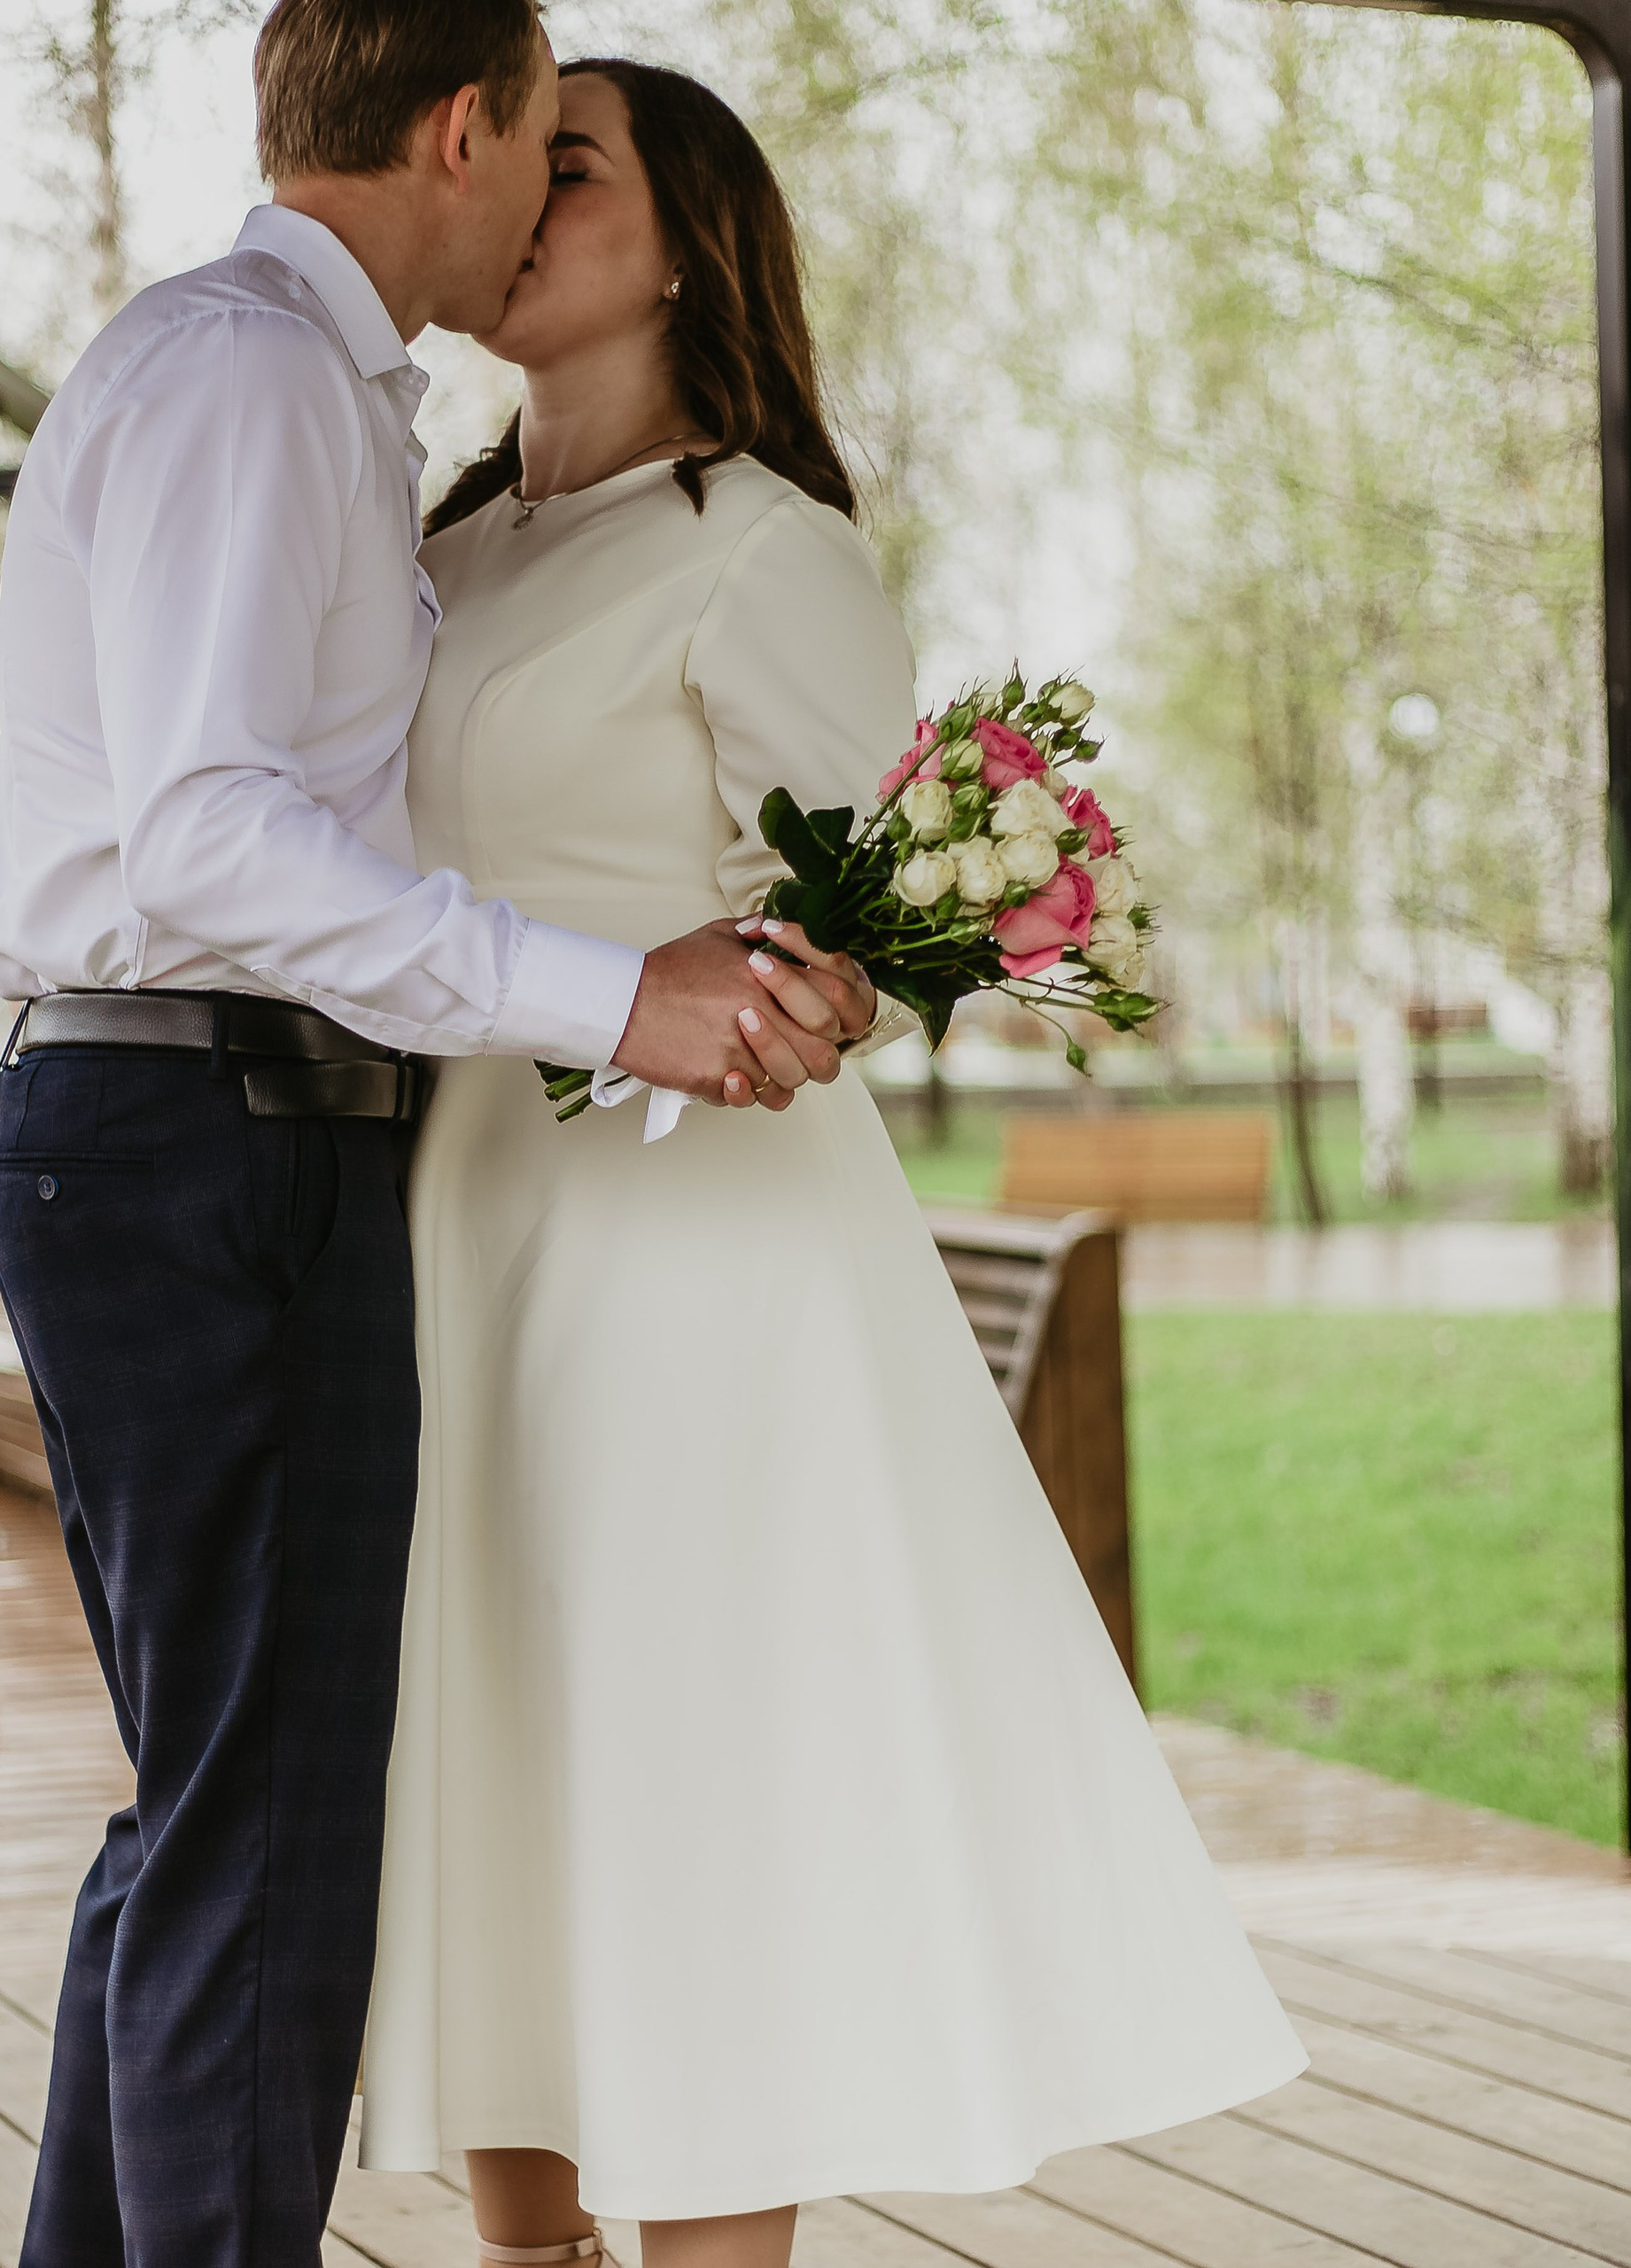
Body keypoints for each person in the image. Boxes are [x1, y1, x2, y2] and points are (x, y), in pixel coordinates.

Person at [352, 57, 1310, 2268]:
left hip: (690, 1267)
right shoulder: (432, 552)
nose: (511, 193)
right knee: (502, 1763)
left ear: (689, 244)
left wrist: (824, 990)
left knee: (684, 1790)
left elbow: (853, 925)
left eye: (567, 163)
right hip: (458, 1228)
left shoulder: (760, 547)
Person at [0, 7, 871, 2267]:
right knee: (253, 1835)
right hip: (211, 1126)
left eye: (592, 167)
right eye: (545, 142)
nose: (543, 189)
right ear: (461, 128)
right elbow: (212, 836)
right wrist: (619, 994)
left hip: (251, 1140)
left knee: (217, 1819)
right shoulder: (269, 379)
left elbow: (264, 771)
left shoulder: (298, 401)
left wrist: (87, 649)